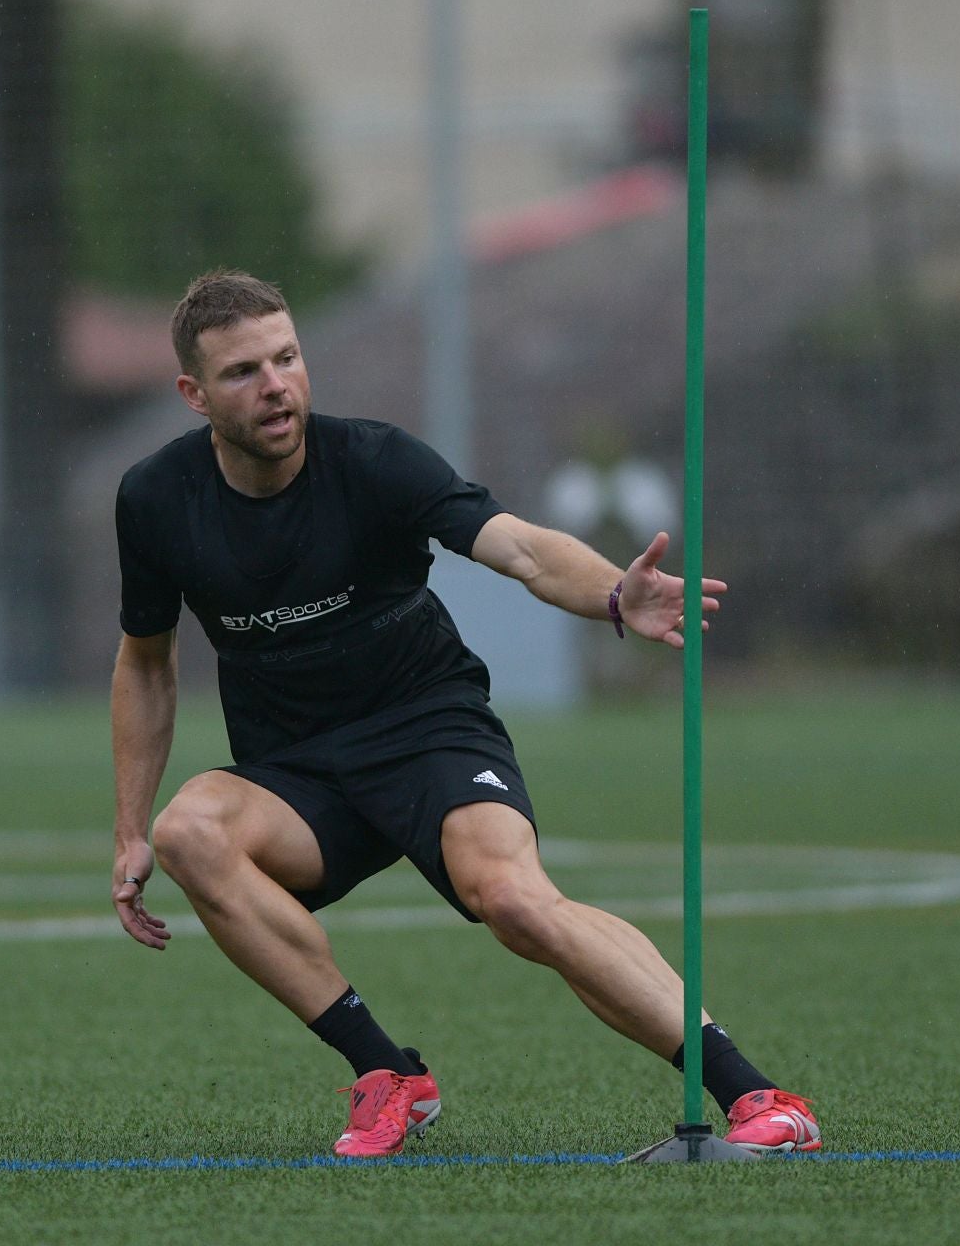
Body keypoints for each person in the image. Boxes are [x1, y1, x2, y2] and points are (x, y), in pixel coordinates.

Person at [111, 269, 819, 1158]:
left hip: (427, 732)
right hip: (296, 777)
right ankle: (387, 1074)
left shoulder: (374, 462)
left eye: (287, 358)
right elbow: (145, 662)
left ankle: (758, 1098)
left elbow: (518, 547)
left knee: (515, 901)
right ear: (194, 394)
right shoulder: (154, 500)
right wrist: (129, 827)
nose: (277, 385)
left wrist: (612, 594)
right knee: (191, 832)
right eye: (245, 371)